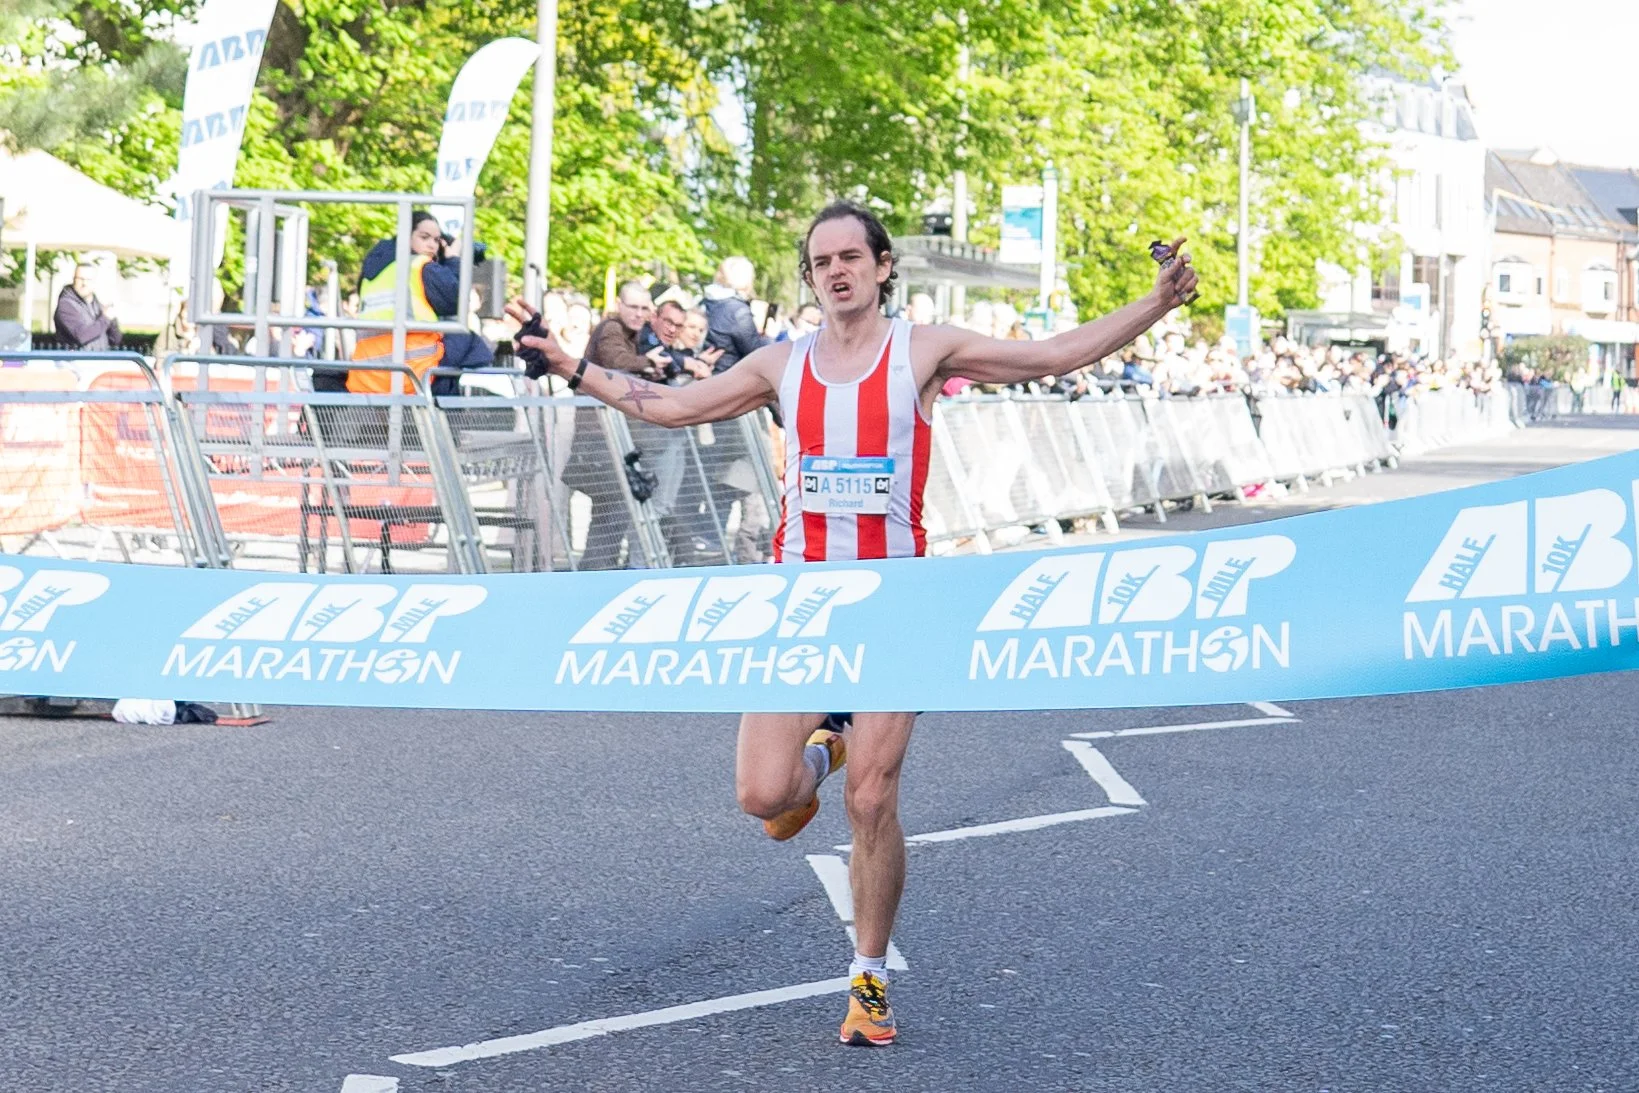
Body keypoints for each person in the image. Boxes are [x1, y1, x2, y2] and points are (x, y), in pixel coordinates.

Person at [509, 199, 1198, 1048]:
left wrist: (1157, 303)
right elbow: (671, 406)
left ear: (879, 267)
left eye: (849, 256)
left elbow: (1050, 353)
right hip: (797, 608)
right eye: (819, 261)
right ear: (809, 278)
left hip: (894, 606)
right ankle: (820, 743)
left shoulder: (925, 350)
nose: (835, 270)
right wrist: (571, 365)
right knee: (767, 798)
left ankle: (867, 978)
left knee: (872, 798)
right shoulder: (780, 363)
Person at [345, 211, 493, 396]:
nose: (431, 245)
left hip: (367, 375)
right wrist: (453, 259)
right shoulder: (420, 266)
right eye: (424, 237)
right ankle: (446, 414)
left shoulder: (371, 274)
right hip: (412, 373)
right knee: (465, 337)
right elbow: (456, 299)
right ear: (407, 237)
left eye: (437, 240)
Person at [54, 264, 121, 351]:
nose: (84, 283)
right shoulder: (66, 305)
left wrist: (112, 320)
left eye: (88, 279)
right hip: (73, 362)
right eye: (80, 279)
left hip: (100, 361)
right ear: (73, 279)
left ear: (95, 282)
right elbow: (82, 336)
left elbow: (115, 340)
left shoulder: (97, 305)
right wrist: (106, 318)